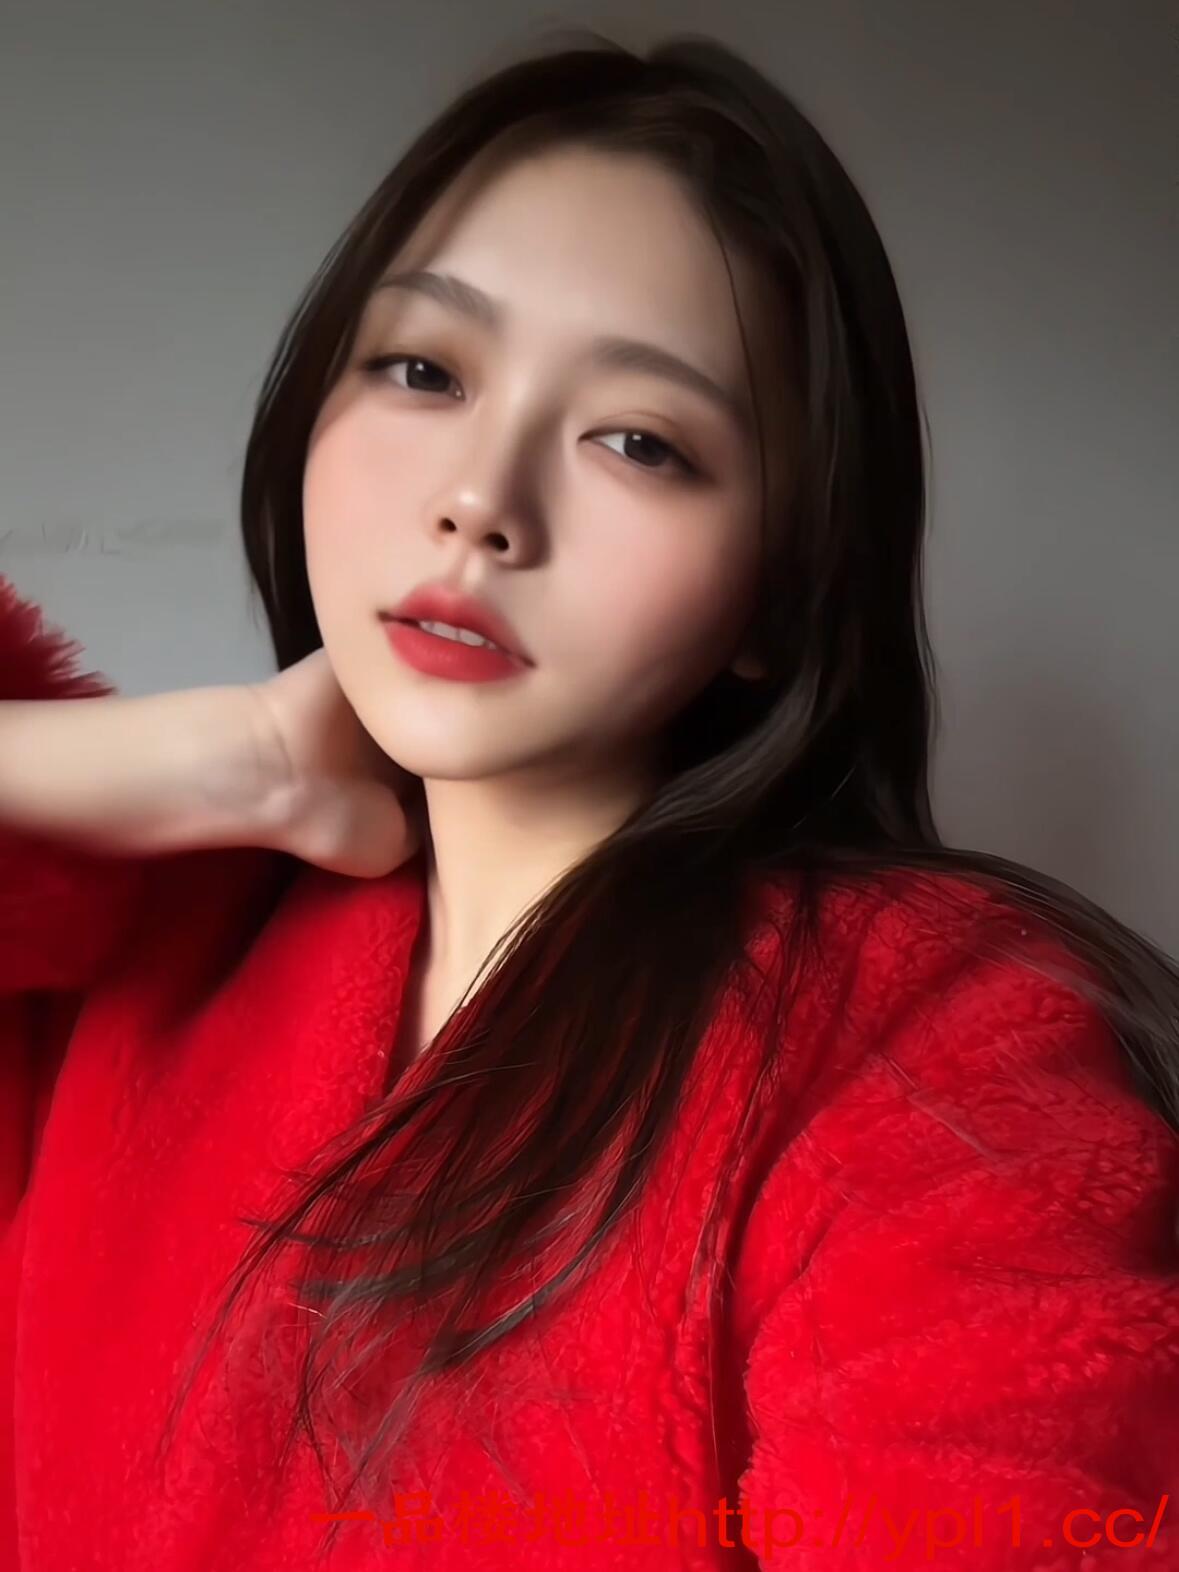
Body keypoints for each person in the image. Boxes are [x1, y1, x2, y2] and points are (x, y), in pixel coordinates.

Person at [1, 32, 1177, 1572]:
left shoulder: (926, 1045)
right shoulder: (146, 947)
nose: (481, 501)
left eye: (640, 441)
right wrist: (200, 759)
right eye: (424, 370)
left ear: (777, 594)